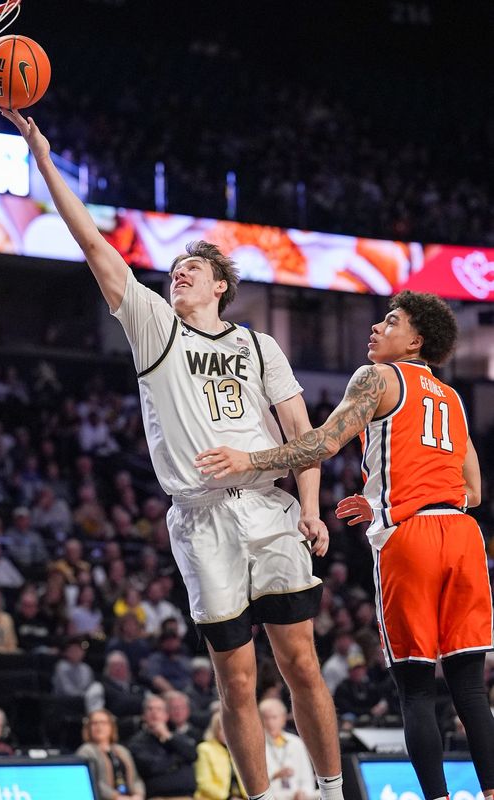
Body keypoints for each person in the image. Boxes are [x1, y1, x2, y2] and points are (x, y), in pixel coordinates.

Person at [2, 109, 343, 800]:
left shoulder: (256, 345)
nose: (178, 274)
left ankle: (331, 791)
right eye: (174, 269)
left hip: (270, 507)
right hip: (201, 520)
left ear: (220, 285)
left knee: (302, 664)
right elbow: (93, 242)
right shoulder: (155, 329)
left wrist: (308, 506)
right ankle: (259, 796)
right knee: (236, 679)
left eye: (193, 268)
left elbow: (306, 437)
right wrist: (42, 154)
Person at [195, 290, 494, 800]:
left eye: (391, 321)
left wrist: (249, 459)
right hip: (465, 537)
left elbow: (321, 443)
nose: (377, 327)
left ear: (415, 340)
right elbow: (473, 491)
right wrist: (380, 500)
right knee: (469, 686)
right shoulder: (453, 398)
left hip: (414, 539)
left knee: (416, 686)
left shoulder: (375, 376)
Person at [126, 693, 197, 800]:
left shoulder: (177, 736)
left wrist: (167, 736)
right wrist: (178, 759)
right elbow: (152, 767)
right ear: (144, 715)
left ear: (166, 715)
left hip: (186, 796)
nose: (154, 713)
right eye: (150, 709)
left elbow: (192, 754)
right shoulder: (137, 742)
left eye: (159, 709)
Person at [77, 708, 145, 800]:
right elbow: (91, 782)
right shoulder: (85, 751)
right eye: (94, 723)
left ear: (111, 727)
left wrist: (138, 795)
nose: (99, 727)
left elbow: (136, 779)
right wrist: (116, 797)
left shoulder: (122, 750)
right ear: (88, 728)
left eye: (103, 723)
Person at [259, 699, 317, 800]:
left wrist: (302, 793)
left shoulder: (296, 742)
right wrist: (275, 776)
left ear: (283, 719)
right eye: (265, 718)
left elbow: (307, 779)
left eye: (274, 717)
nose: (270, 722)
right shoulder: (258, 745)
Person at [194, 711, 245, 800]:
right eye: (223, 729)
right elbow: (204, 783)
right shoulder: (204, 749)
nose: (228, 733)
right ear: (215, 729)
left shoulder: (240, 749)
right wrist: (229, 798)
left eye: (231, 728)